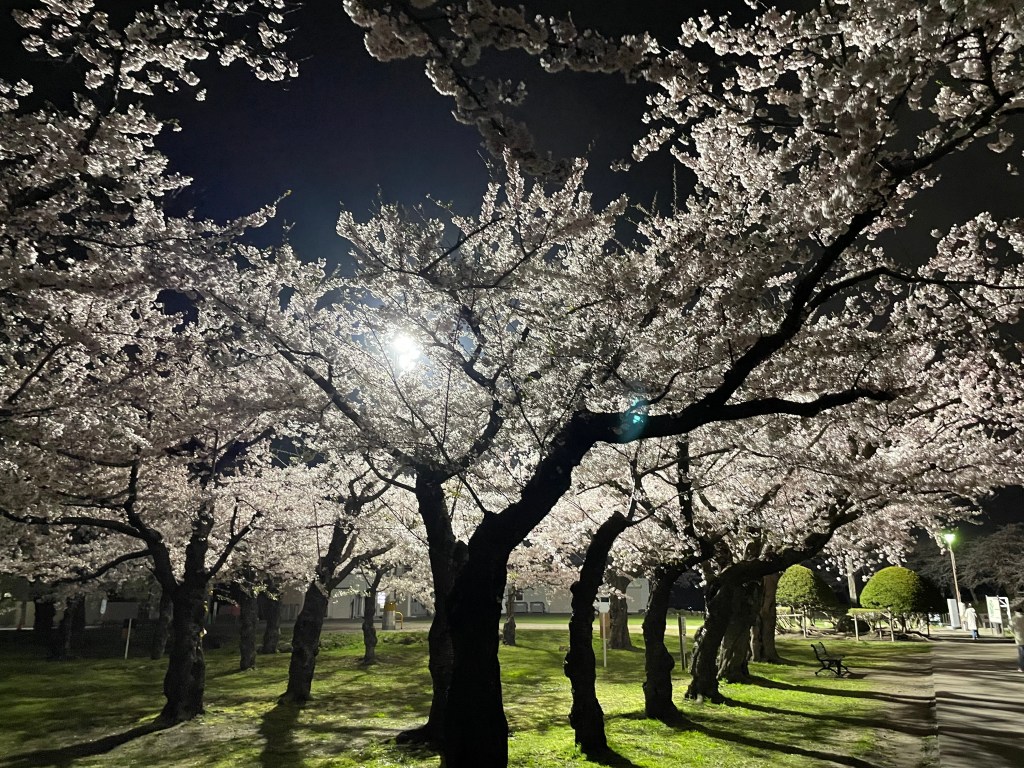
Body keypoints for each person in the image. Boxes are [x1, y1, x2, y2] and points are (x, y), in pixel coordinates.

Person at [1012, 606, 1024, 673]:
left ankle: (1021, 667)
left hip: (1019, 638)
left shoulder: (1014, 618)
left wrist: (1014, 634)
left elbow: (1010, 628)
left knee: (1021, 654)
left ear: (1016, 612)